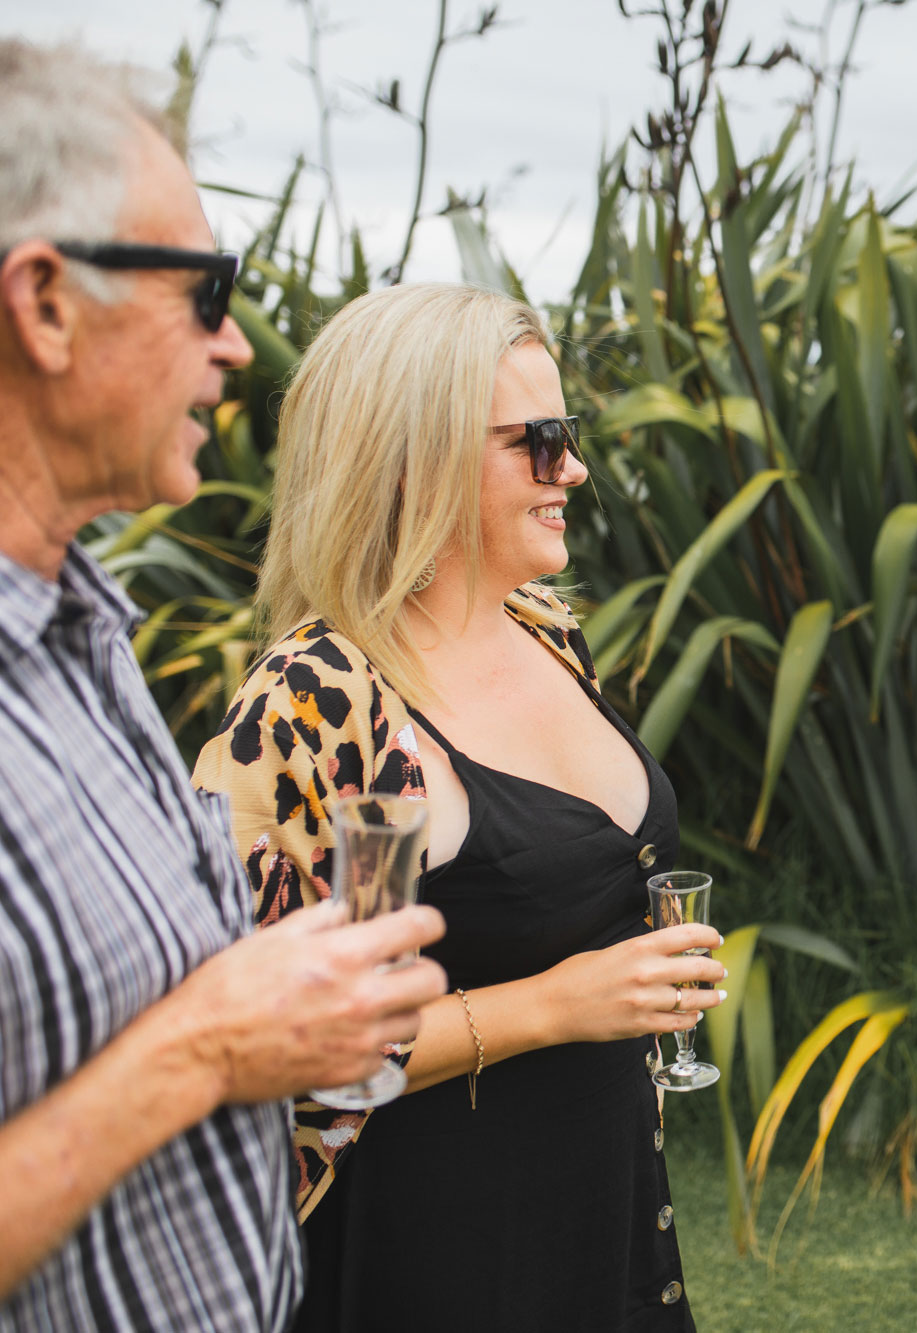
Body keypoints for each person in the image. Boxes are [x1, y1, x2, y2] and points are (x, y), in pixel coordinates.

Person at [0, 40, 449, 1333]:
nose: (239, 346)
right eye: (206, 291)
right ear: (45, 304)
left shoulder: (85, 636)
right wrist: (207, 1045)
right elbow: (198, 1039)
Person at [191, 281, 725, 1331]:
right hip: (437, 1259)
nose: (571, 467)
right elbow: (291, 1048)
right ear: (416, 457)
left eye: (566, 436)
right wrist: (557, 1005)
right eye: (538, 440)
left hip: (606, 1223)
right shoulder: (324, 701)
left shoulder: (542, 630)